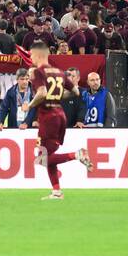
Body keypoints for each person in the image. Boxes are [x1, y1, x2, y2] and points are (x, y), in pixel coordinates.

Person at [28, 40, 92, 199]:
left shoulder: (37, 72)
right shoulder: (59, 72)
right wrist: (56, 96)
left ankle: (77, 155)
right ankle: (56, 191)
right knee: (49, 157)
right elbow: (76, 91)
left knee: (42, 158)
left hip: (48, 117)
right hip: (60, 115)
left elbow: (41, 93)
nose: (31, 58)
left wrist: (28, 106)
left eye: (32, 55)